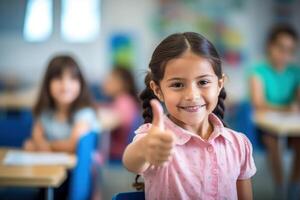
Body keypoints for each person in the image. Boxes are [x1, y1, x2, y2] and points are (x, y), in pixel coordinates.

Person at [122, 32, 256, 199]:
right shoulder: (156, 140)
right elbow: (131, 161)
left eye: (203, 82)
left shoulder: (238, 144)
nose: (192, 95)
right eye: (178, 84)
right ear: (158, 90)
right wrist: (144, 149)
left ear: (219, 84)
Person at [248, 24, 300, 199]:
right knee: (272, 140)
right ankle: (279, 186)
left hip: (290, 123)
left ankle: (293, 185)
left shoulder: (295, 72)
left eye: (290, 50)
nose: (285, 54)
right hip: (267, 123)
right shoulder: (257, 70)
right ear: (270, 46)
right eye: (281, 48)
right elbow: (259, 103)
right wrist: (286, 107)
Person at [23, 55, 100, 153]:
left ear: (81, 83)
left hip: (75, 168)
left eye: (73, 78)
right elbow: (36, 139)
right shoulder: (44, 112)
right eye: (58, 78)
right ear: (47, 83)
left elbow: (73, 145)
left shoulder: (85, 113)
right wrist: (38, 145)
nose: (65, 86)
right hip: (49, 166)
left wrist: (46, 146)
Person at [99, 66, 140, 161]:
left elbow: (111, 121)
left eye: (110, 80)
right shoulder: (121, 100)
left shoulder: (124, 102)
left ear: (122, 84)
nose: (105, 83)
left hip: (118, 155)